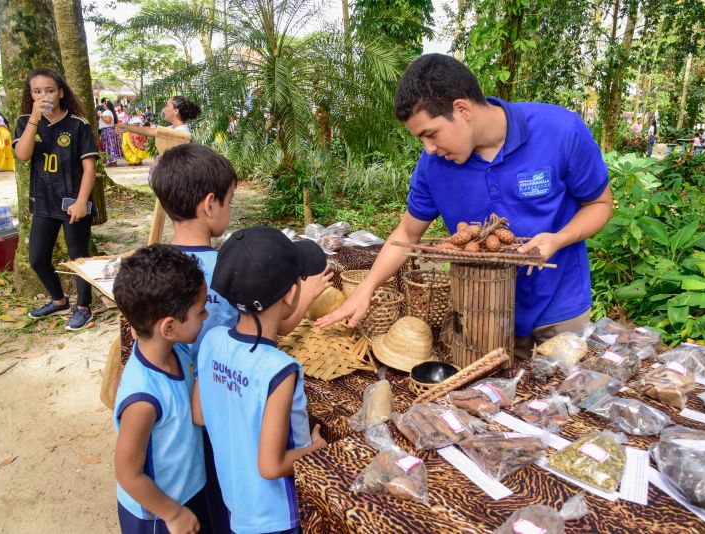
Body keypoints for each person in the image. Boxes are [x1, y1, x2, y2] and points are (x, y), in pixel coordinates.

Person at [316, 54, 613, 359]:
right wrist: (366, 289)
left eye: (431, 134)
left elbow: (600, 204)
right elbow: (406, 233)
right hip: (480, 313)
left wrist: (559, 239)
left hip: (560, 311)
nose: (429, 148)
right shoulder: (433, 166)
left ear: (462, 109)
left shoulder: (560, 131)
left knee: (561, 397)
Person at [192, 226, 329, 534]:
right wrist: (316, 448)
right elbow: (271, 466)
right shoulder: (280, 370)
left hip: (234, 498)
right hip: (275, 514)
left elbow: (199, 414)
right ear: (293, 293)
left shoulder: (212, 340)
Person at [112, 244, 209, 534]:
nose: (205, 317)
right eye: (201, 312)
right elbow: (128, 473)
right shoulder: (143, 401)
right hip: (157, 514)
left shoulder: (175, 350)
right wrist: (173, 514)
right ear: (168, 328)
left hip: (186, 489)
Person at [13, 67, 100, 330]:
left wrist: (81, 201)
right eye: (37, 91)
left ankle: (84, 308)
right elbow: (23, 155)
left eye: (49, 90)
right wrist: (34, 119)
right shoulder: (25, 121)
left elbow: (89, 169)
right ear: (31, 95)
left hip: (73, 203)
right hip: (43, 202)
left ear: (61, 92)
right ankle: (59, 300)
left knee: (78, 259)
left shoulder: (78, 126)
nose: (44, 95)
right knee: (37, 258)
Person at [99, 99, 123, 166]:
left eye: (103, 104)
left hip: (107, 131)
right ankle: (112, 161)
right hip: (109, 130)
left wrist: (101, 115)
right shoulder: (109, 112)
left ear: (106, 105)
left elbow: (108, 121)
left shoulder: (107, 112)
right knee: (110, 146)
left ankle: (112, 161)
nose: (102, 105)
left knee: (109, 145)